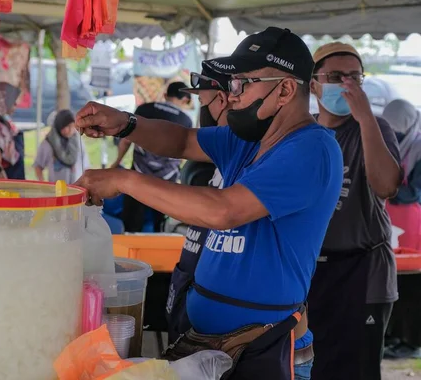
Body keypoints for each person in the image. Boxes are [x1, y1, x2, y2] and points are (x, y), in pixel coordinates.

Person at [75, 27, 343, 379]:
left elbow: (223, 210)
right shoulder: (247, 141)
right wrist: (126, 124)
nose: (232, 96)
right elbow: (182, 140)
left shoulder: (311, 149)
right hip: (212, 344)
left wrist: (123, 179)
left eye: (243, 84)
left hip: (264, 349)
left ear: (286, 90)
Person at [307, 42, 402, 380]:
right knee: (312, 365)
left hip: (363, 270)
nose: (347, 85)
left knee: (357, 369)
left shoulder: (374, 129)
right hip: (311, 271)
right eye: (336, 76)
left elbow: (386, 186)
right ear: (313, 83)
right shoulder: (304, 134)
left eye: (355, 77)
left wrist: (364, 119)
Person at [164, 60, 231, 344]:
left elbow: (219, 209)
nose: (203, 111)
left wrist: (124, 181)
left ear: (224, 99)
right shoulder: (220, 154)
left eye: (203, 102)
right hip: (190, 279)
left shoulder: (248, 155)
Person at [111, 81, 193, 232]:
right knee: (160, 226)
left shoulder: (144, 109)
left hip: (138, 176)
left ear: (165, 95)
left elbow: (126, 141)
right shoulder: (185, 120)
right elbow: (185, 152)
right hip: (166, 182)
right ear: (185, 100)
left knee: (131, 226)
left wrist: (116, 163)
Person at [382, 99, 421, 252]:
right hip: (383, 215)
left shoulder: (418, 149)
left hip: (410, 217)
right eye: (388, 130)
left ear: (409, 128)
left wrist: (382, 189)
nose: (392, 136)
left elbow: (414, 192)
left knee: (406, 261)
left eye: (397, 132)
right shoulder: (381, 142)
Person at [34, 109, 89, 183]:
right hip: (57, 191)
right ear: (60, 125)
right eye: (68, 126)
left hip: (77, 189)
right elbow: (38, 166)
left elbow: (85, 165)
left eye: (73, 126)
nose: (71, 130)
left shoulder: (78, 141)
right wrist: (43, 182)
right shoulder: (48, 143)